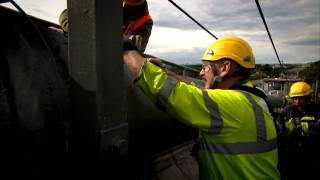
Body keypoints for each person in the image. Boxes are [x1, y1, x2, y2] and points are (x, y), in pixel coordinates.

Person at [123, 36, 280, 179]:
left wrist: (127, 49)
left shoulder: (231, 104)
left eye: (205, 67)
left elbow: (170, 94)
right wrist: (166, 71)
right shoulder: (252, 97)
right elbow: (197, 91)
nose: (200, 72)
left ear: (224, 68)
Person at [277, 81, 320, 179]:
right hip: (291, 157)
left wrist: (304, 126)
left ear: (309, 97)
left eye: (300, 98)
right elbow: (277, 129)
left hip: (313, 157)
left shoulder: (317, 111)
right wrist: (287, 132)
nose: (297, 102)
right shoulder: (287, 111)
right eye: (294, 98)